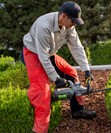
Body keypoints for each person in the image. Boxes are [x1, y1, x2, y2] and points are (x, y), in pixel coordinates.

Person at [22, 1, 96, 133]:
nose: (74, 24)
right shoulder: (43, 26)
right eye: (73, 21)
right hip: (33, 53)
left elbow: (77, 47)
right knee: (42, 94)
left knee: (71, 73)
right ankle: (39, 131)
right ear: (63, 16)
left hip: (48, 54)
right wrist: (56, 79)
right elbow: (43, 57)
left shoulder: (69, 26)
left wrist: (87, 70)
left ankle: (78, 110)